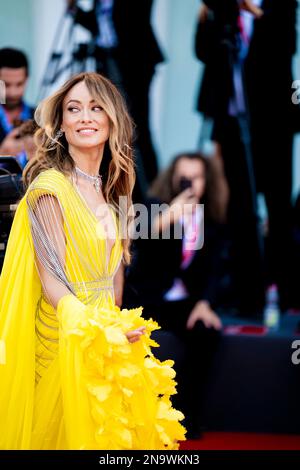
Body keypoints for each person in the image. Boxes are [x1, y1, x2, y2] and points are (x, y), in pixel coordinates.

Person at [0, 72, 185, 450]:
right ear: (62, 125)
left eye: (96, 107)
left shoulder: (113, 188)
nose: (85, 116)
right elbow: (52, 282)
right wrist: (94, 329)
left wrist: (116, 330)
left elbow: (113, 281)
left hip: (107, 340)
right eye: (74, 109)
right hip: (62, 339)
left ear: (111, 119)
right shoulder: (49, 189)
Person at [123, 152, 224, 438]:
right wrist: (168, 219)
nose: (190, 183)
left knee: (207, 333)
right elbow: (131, 235)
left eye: (197, 177)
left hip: (184, 302)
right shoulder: (155, 207)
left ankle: (185, 417)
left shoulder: (211, 218)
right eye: (184, 176)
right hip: (147, 297)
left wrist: (205, 303)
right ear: (173, 178)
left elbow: (215, 268)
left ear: (207, 181)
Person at [66, 0, 164, 188]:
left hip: (136, 62)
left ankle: (150, 185)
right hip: (107, 61)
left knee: (137, 125)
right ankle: (110, 176)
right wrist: (75, 10)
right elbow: (99, 26)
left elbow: (131, 19)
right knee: (108, 122)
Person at [0, 48, 35, 168]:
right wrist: (2, 154)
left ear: (27, 80)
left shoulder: (41, 117)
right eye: (6, 84)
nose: (12, 92)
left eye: (19, 84)